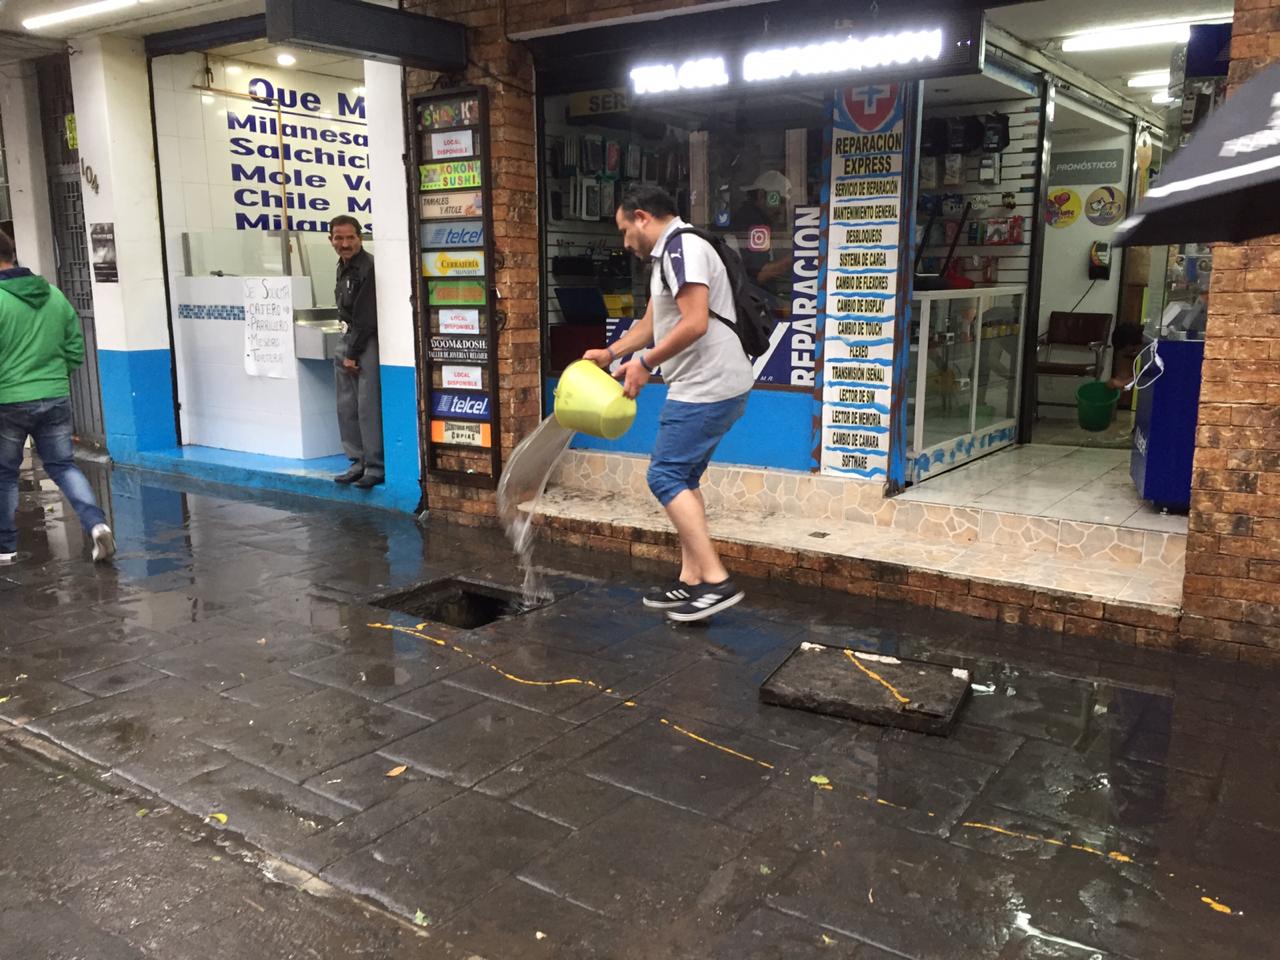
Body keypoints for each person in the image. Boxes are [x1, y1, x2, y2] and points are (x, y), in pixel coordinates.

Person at [584, 185, 754, 622]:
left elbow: (695, 323)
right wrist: (613, 353)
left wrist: (644, 364)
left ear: (642, 217)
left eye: (625, 230)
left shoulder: (683, 248)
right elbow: (653, 323)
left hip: (706, 385)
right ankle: (692, 580)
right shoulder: (669, 256)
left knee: (665, 475)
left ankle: (716, 581)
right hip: (707, 384)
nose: (624, 242)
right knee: (684, 476)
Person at [0, 229, 114, 563]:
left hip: (9, 400)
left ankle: (5, 548)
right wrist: (54, 376)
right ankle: (97, 525)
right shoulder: (53, 294)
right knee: (63, 465)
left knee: (5, 473)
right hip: (55, 395)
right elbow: (75, 348)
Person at [329, 215, 384, 488]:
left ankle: (375, 465)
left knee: (366, 404)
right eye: (339, 238)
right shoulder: (342, 266)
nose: (345, 243)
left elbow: (366, 315)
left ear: (360, 238)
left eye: (350, 237)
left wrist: (352, 352)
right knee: (346, 404)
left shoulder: (368, 267)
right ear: (331, 240)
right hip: (346, 335)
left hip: (365, 340)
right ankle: (357, 461)